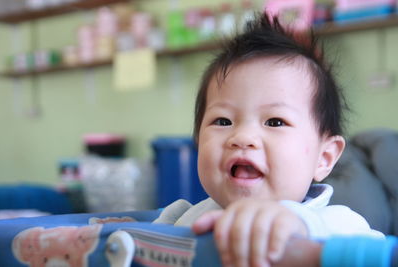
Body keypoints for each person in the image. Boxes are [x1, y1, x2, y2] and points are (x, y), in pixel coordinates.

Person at [154, 13, 383, 266]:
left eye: (275, 122)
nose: (242, 137)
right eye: (223, 121)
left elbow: (377, 255)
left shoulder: (336, 225)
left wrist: (295, 225)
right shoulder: (183, 218)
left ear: (324, 158)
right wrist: (114, 233)